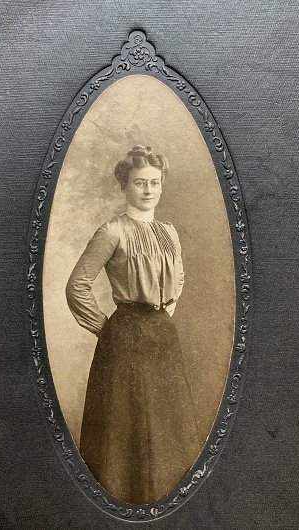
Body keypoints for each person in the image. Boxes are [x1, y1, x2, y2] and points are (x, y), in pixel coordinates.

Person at [66, 145, 201, 505]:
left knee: (167, 424)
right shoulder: (112, 231)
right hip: (124, 340)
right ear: (124, 186)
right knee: (127, 426)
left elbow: (180, 276)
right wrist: (106, 328)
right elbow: (77, 285)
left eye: (155, 182)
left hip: (162, 338)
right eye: (140, 182)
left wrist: (166, 310)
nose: (149, 190)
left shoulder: (169, 232)